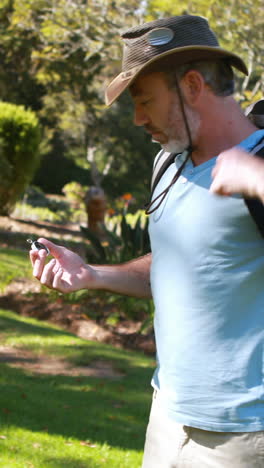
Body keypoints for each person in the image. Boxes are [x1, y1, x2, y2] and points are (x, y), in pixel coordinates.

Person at [30, 15, 264, 468]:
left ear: (193, 85)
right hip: (166, 416)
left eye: (145, 101)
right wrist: (92, 274)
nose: (138, 119)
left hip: (243, 436)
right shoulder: (167, 164)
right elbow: (178, 264)